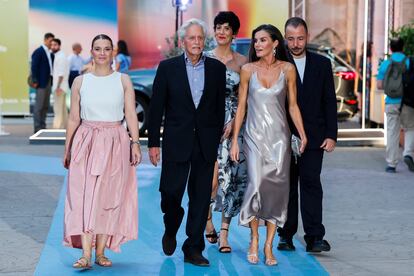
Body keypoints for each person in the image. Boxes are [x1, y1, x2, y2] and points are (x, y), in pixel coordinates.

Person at [148, 18, 225, 267]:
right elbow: (156, 108)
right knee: (170, 193)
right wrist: (153, 144)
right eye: (191, 38)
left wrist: (215, 137)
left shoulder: (216, 69)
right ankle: (171, 225)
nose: (196, 42)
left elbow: (218, 108)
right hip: (176, 140)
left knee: (201, 196)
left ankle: (193, 247)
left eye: (200, 38)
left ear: (205, 41)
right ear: (183, 42)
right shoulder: (167, 68)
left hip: (205, 142)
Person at [230, 24, 307, 266]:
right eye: (255, 41)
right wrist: (234, 140)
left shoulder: (288, 70)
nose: (257, 44)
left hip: (279, 140)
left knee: (277, 192)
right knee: (255, 185)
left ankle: (268, 244)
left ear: (275, 43)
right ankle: (254, 238)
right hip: (253, 137)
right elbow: (241, 107)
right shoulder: (247, 70)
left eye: (263, 40)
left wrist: (302, 135)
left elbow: (292, 105)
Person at [62, 34, 141, 269]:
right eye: (98, 48)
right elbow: (74, 118)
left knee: (110, 197)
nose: (103, 53)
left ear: (113, 51)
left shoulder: (123, 80)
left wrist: (135, 143)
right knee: (84, 195)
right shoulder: (80, 81)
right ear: (92, 51)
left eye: (107, 48)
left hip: (116, 141)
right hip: (86, 141)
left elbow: (131, 114)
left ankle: (101, 252)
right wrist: (67, 149)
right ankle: (85, 255)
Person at [277, 17, 337, 253]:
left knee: (312, 185)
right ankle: (285, 235)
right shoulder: (278, 63)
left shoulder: (322, 64)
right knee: (287, 187)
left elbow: (329, 101)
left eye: (300, 38)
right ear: (285, 39)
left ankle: (314, 237)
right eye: (290, 39)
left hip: (314, 137)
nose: (295, 43)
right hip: (283, 138)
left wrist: (332, 134)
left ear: (307, 37)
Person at [203, 11, 248, 253]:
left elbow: (245, 100)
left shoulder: (242, 63)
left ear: (234, 33)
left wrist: (234, 125)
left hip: (234, 127)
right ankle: (207, 219)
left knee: (231, 181)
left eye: (226, 28)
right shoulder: (204, 59)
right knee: (210, 180)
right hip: (209, 126)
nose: (221, 31)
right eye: (218, 27)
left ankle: (224, 234)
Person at [377, 37, 414, 173]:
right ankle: (408, 154)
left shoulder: (386, 63)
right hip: (407, 102)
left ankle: (391, 164)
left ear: (390, 48)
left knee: (392, 132)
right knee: (410, 128)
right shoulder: (409, 62)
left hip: (391, 102)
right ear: (403, 47)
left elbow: (379, 85)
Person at [31, 32, 54, 133]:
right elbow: (34, 67)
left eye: (52, 41)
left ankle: (42, 126)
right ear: (45, 40)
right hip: (40, 82)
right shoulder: (39, 51)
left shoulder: (50, 53)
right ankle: (37, 127)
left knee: (45, 105)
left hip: (48, 81)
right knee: (39, 106)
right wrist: (35, 80)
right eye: (50, 41)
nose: (51, 43)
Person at [50, 38, 69, 129]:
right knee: (63, 110)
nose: (53, 47)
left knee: (58, 110)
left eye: (55, 45)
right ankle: (65, 128)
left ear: (59, 46)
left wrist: (57, 87)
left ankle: (56, 129)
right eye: (52, 45)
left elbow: (61, 75)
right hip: (62, 87)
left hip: (59, 88)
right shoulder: (59, 56)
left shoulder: (61, 57)